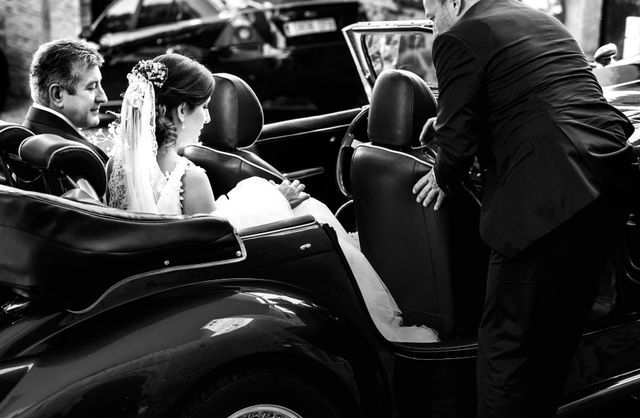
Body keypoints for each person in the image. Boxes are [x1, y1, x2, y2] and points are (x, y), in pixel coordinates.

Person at [412, 0, 639, 418]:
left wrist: (443, 172)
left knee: (505, 352)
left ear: (454, 2)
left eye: (433, 10)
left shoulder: (458, 36)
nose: (433, 22)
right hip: (608, 179)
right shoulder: (539, 19)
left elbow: (456, 136)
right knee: (555, 340)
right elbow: (536, 93)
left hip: (547, 198)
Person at [107, 54, 439, 344]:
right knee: (312, 213)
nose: (208, 119)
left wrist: (269, 197)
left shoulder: (117, 167)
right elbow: (217, 252)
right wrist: (271, 201)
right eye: (205, 108)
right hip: (196, 291)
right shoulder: (190, 177)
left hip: (146, 288)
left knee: (278, 200)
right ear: (181, 111)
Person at [24, 39, 109, 164]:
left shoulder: (26, 134)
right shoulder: (79, 157)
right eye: (91, 88)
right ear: (57, 95)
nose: (103, 98)